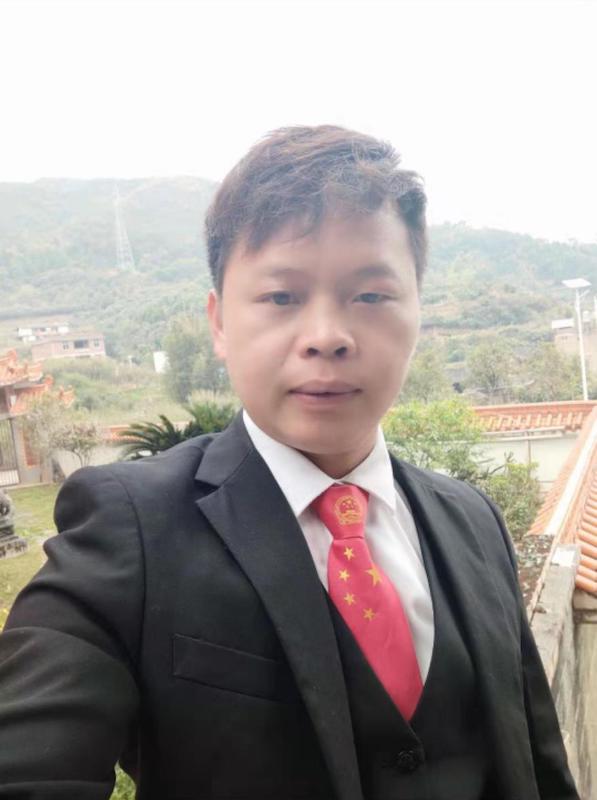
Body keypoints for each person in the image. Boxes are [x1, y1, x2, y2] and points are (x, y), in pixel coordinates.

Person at [0, 125, 579, 800]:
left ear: (418, 313)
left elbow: (540, 763)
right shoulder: (129, 529)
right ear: (219, 322)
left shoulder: (471, 521)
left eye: (370, 295)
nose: (327, 337)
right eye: (281, 297)